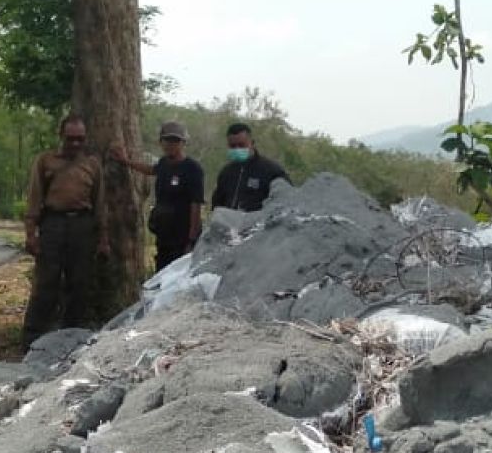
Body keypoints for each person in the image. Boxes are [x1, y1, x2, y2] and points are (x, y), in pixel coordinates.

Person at [22, 114, 110, 349]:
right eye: (70, 139)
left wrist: (103, 239)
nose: (75, 144)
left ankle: (71, 340)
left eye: (80, 139)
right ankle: (32, 339)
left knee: (79, 284)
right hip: (53, 224)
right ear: (60, 136)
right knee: (45, 284)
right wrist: (31, 234)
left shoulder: (92, 164)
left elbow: (100, 204)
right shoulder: (45, 161)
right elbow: (34, 199)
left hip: (82, 226)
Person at [111, 121, 204, 272]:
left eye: (175, 140)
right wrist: (125, 161)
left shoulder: (192, 169)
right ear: (161, 142)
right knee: (161, 274)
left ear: (183, 143)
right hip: (163, 236)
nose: (171, 144)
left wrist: (192, 240)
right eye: (167, 140)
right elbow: (150, 170)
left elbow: (196, 205)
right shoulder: (163, 164)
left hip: (182, 238)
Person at [210, 122, 291, 212]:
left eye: (241, 145)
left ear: (252, 143)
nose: (237, 149)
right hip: (228, 224)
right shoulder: (226, 173)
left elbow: (286, 201)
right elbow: (217, 204)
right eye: (233, 146)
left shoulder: (272, 171)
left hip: (257, 224)